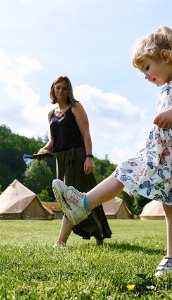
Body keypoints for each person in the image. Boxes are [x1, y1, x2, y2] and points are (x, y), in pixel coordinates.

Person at [51, 26, 172, 276]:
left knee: (171, 205)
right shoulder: (163, 91)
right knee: (124, 170)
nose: (146, 76)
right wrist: (147, 146)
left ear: (165, 56)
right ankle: (83, 203)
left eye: (147, 67)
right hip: (162, 150)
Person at [37, 76, 112, 246]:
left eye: (64, 88)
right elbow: (53, 140)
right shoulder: (51, 114)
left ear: (68, 90)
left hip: (77, 156)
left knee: (69, 198)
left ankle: (60, 241)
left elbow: (86, 134)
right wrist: (44, 150)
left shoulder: (76, 107)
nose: (61, 91)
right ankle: (98, 233)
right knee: (83, 195)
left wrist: (89, 157)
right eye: (58, 88)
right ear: (53, 90)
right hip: (60, 159)